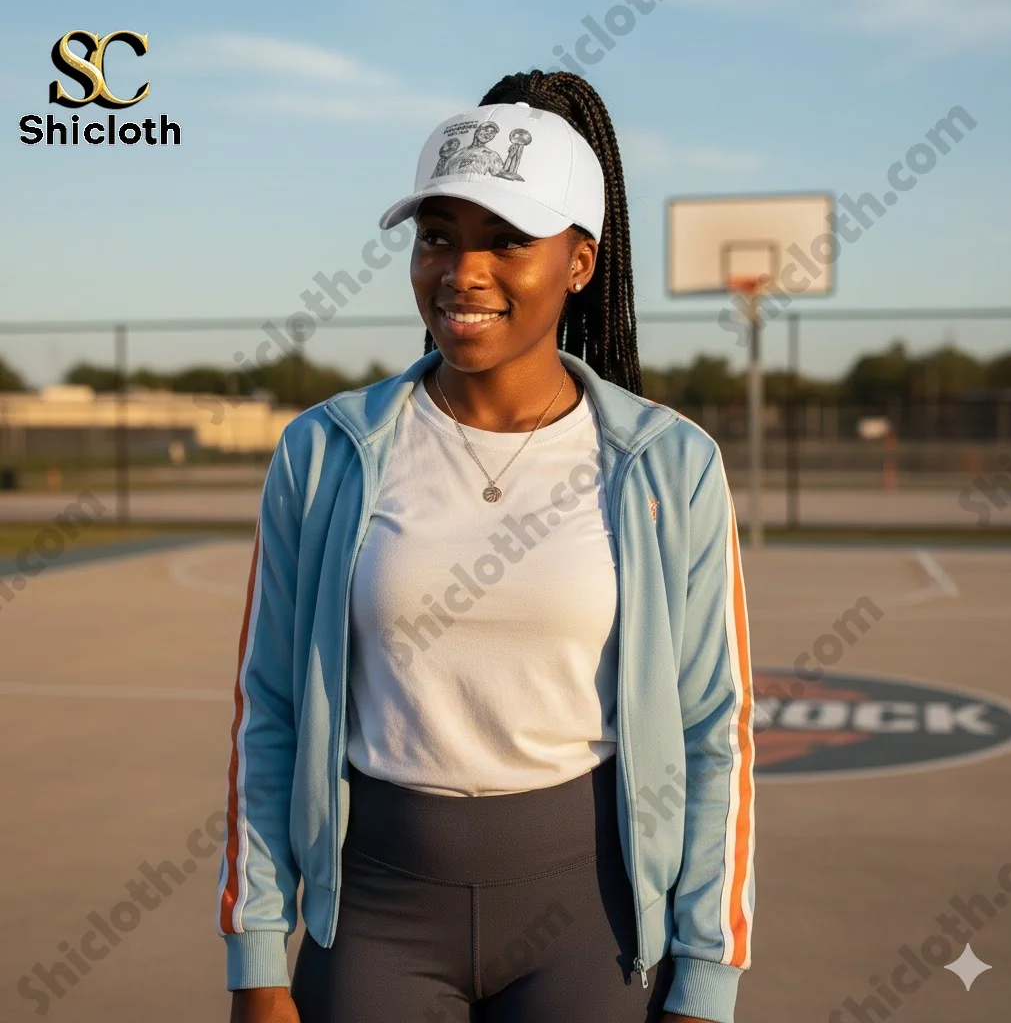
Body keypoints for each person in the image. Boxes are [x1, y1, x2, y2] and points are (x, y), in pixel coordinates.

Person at [218, 69, 755, 1023]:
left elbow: (715, 731)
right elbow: (271, 711)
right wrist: (258, 954)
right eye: (438, 236)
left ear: (579, 262)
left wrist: (706, 979)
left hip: (591, 925)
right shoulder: (324, 451)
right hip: (375, 917)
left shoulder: (669, 464)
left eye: (507, 240)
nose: (462, 271)